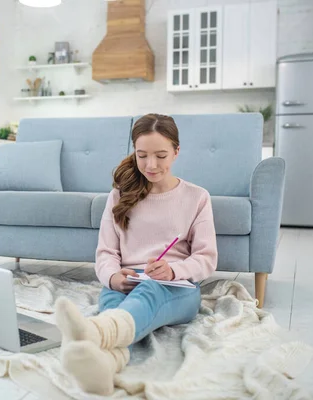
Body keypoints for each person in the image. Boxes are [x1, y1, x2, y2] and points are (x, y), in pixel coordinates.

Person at [55, 113, 218, 395]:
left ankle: (93, 333)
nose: (151, 165)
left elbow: (206, 258)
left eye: (161, 155)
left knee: (150, 292)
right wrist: (114, 277)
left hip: (176, 288)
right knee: (113, 302)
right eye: (142, 155)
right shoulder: (119, 196)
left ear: (177, 152)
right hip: (125, 284)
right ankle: (106, 363)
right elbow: (106, 252)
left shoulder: (197, 197)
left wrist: (174, 271)